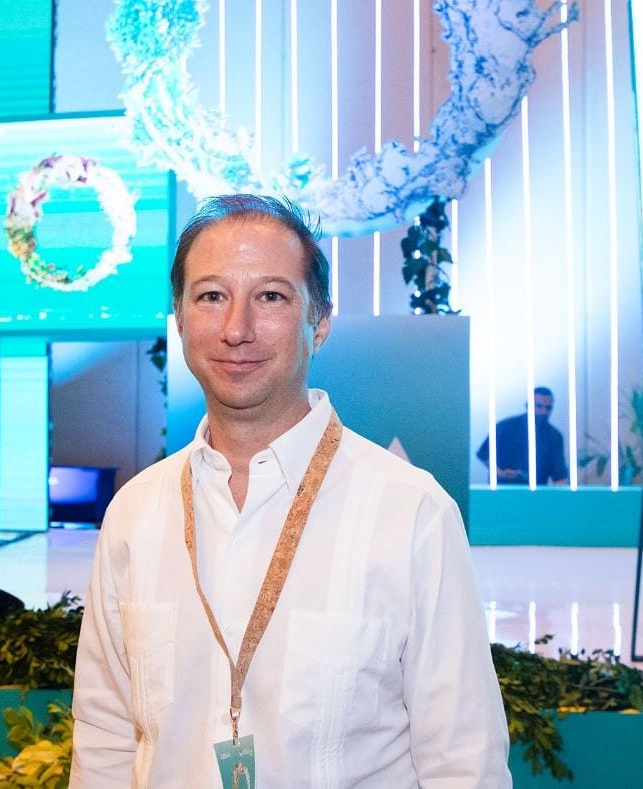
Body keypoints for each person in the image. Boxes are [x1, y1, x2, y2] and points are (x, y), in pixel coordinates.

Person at [71, 194, 510, 787]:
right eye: (211, 296)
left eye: (271, 297)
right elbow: (104, 735)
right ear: (180, 320)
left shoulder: (411, 511)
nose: (237, 329)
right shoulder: (136, 512)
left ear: (319, 322)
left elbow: (464, 760)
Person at [477, 387, 569, 485]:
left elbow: (559, 474)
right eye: (539, 406)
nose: (544, 411)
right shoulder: (505, 426)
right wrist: (498, 472)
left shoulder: (554, 436)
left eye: (548, 408)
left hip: (535, 492)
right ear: (527, 406)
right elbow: (484, 453)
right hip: (502, 489)